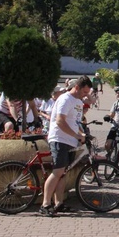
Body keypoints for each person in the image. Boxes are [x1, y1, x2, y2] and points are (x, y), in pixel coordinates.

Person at [39, 75, 91, 217]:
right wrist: (77, 136)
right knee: (57, 172)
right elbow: (60, 121)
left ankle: (59, 203)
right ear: (77, 87)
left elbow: (75, 122)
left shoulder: (78, 102)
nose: (86, 95)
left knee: (63, 174)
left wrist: (82, 134)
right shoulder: (65, 99)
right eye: (84, 92)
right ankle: (45, 204)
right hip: (59, 138)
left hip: (70, 141)